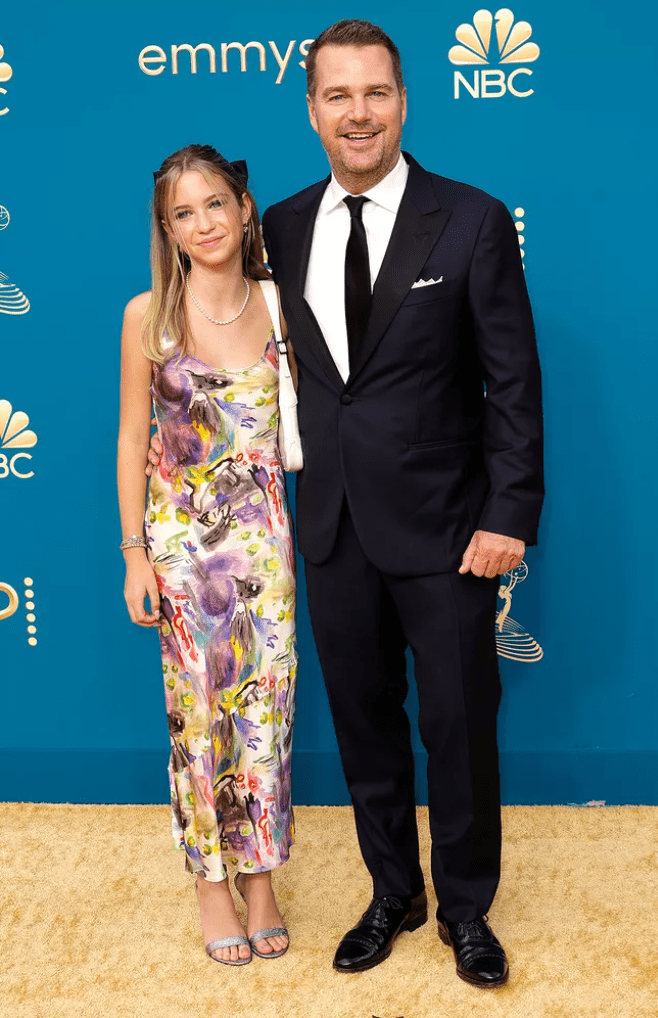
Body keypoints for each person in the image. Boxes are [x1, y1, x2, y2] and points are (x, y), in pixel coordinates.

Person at [149, 19, 544, 987]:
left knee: (458, 725)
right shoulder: (278, 227)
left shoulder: (472, 219)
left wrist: (509, 514)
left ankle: (465, 909)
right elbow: (208, 330)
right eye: (338, 95)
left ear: (403, 101)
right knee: (366, 728)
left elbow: (513, 381)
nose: (357, 113)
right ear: (312, 111)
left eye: (375, 93)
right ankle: (391, 892)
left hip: (449, 527)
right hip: (327, 527)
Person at [117, 144, 297, 966]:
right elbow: (133, 438)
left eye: (215, 203)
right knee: (198, 720)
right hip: (181, 550)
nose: (203, 224)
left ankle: (261, 879)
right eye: (182, 213)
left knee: (265, 715)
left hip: (264, 548)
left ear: (244, 207)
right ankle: (211, 884)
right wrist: (135, 555)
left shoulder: (281, 304)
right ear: (168, 229)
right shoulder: (147, 316)